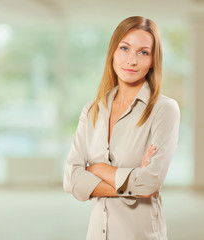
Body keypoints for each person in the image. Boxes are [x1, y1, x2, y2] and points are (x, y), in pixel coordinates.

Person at [63, 16, 180, 240]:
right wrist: (132, 183)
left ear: (153, 61)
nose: (131, 61)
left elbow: (150, 183)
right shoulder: (91, 111)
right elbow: (72, 180)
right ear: (113, 53)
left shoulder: (164, 110)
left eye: (143, 52)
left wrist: (96, 169)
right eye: (125, 48)